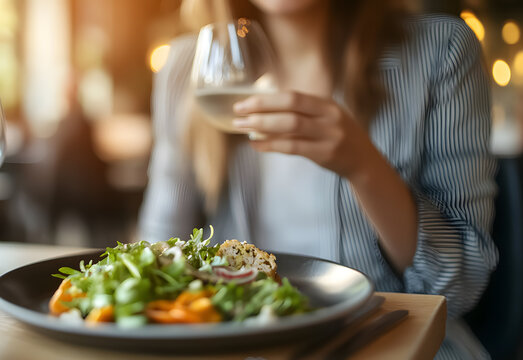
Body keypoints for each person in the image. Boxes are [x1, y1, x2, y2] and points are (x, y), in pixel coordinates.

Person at [139, 0, 497, 358]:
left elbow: (460, 285)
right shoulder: (186, 66)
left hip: (393, 342)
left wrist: (363, 166)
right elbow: (157, 256)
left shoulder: (440, 49)